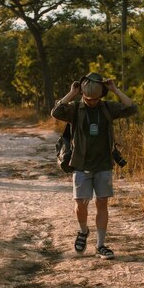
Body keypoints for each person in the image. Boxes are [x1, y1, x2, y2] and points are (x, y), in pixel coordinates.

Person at [51, 72, 137, 259]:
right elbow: (56, 112)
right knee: (80, 204)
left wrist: (114, 89)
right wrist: (72, 93)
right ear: (83, 94)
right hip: (80, 164)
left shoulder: (107, 108)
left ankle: (100, 245)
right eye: (87, 98)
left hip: (103, 164)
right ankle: (83, 231)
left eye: (95, 98)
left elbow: (131, 108)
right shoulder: (75, 108)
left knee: (102, 203)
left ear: (101, 96)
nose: (91, 101)